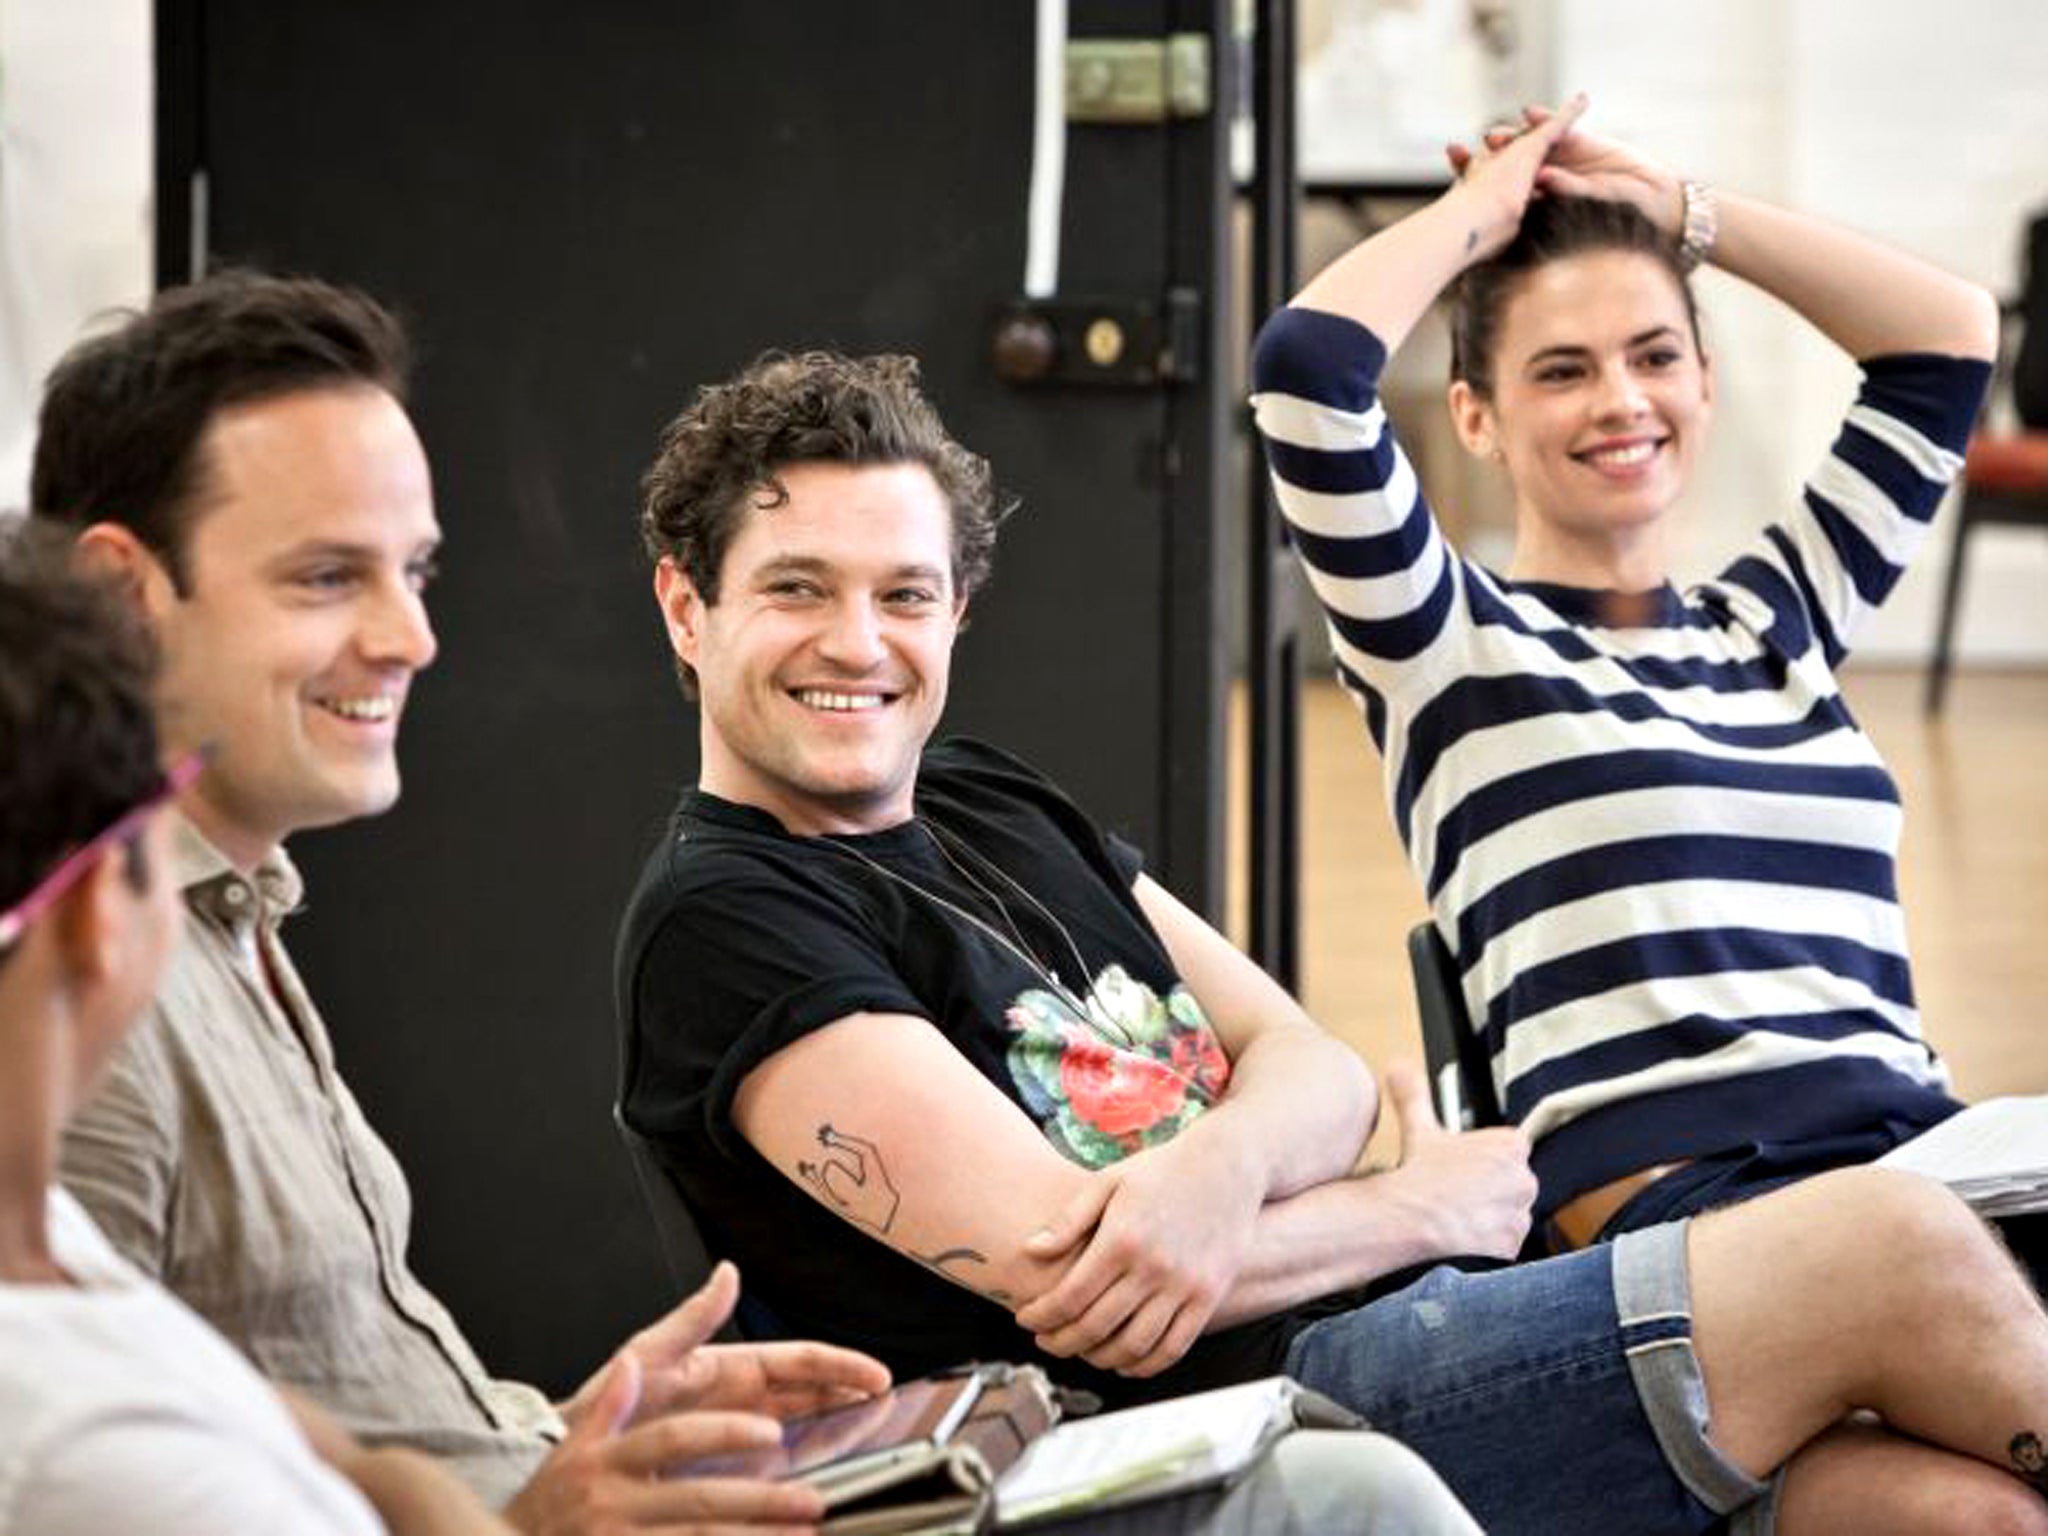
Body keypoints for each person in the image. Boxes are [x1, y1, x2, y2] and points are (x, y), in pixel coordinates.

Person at [617, 343, 2048, 1533]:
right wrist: (1420, 1207)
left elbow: (1312, 1062)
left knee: (1950, 1512)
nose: (859, 642)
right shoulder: (726, 919)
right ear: (688, 607)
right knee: (1888, 1251)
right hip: (1209, 1432)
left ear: (957, 611)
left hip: (1405, 1329)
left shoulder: (987, 796)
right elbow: (1084, 1282)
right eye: (797, 588)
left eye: (904, 594)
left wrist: (1219, 1167)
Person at [33, 270, 895, 1536]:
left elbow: (305, 1435)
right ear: (124, 596)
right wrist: (533, 1524)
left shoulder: (230, 911)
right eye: (328, 578)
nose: (411, 637)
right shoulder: (80, 993)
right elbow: (87, 1483)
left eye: (414, 572)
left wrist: (565, 1435)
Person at [1246, 94, 2041, 1260]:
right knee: (1925, 1266)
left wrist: (1680, 211)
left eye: (1654, 356)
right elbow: (1305, 369)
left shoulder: (1776, 620)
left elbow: (1945, 341)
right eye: (1560, 371)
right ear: (1474, 417)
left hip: (1915, 1163)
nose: (1620, 400)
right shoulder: (1445, 641)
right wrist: (1480, 213)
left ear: (1702, 382)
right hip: (1681, 1204)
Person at [0, 526, 515, 1534]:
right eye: (323, 575)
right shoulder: (102, 1460)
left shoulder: (45, 1234)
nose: (410, 635)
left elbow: (324, 1448)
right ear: (101, 906)